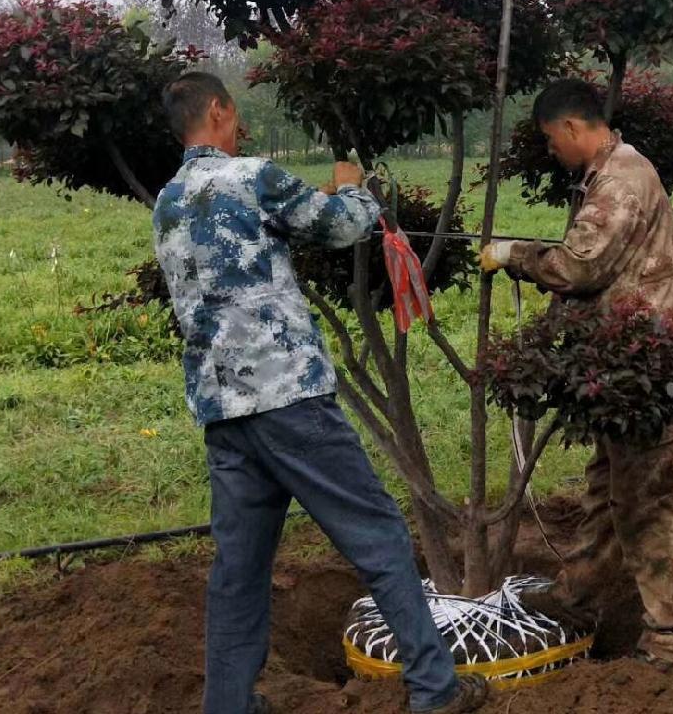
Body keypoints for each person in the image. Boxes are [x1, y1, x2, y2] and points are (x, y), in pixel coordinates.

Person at [153, 73, 487, 714]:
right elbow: (337, 228)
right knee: (380, 536)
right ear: (218, 110)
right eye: (236, 110)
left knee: (239, 570)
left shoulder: (168, 200)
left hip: (224, 411)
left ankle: (227, 706)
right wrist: (354, 188)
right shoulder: (251, 175)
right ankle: (436, 691)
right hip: (288, 398)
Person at [480, 77, 673, 669]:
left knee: (651, 500)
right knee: (609, 490)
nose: (553, 152)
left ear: (574, 128)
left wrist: (515, 255)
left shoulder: (621, 179)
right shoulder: (609, 174)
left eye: (554, 141)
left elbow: (580, 266)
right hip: (625, 366)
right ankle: (576, 597)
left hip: (646, 371)